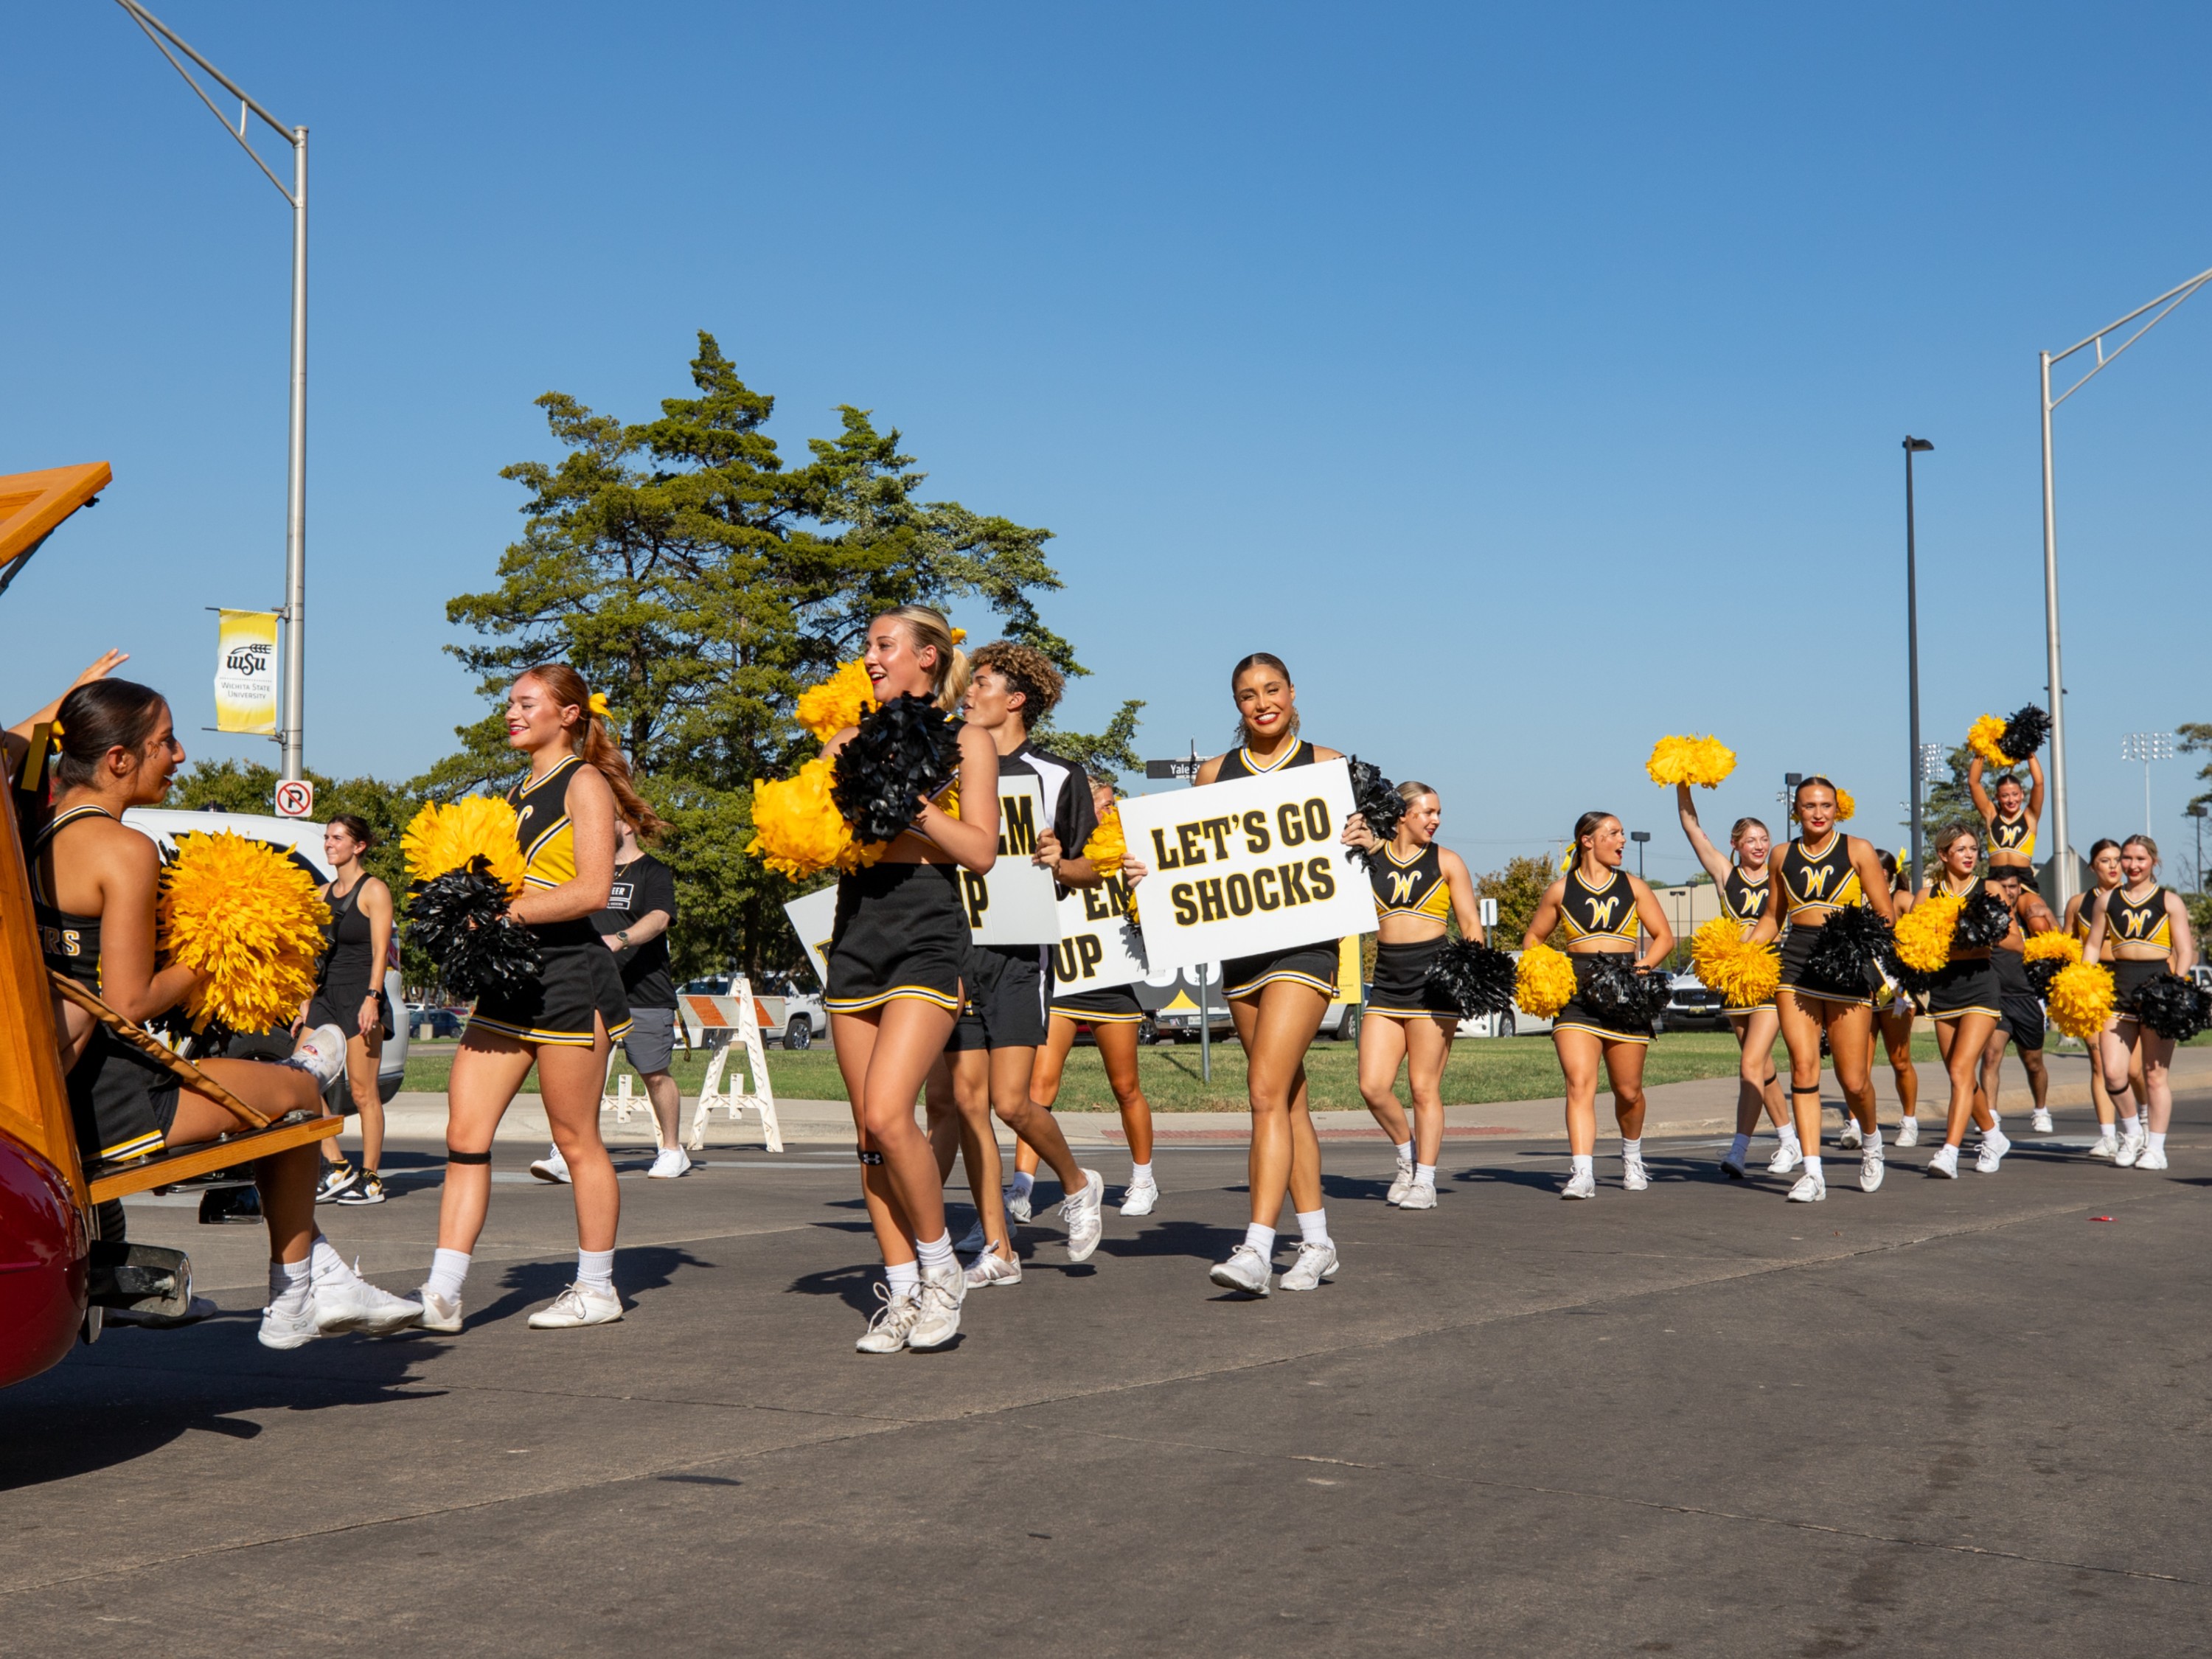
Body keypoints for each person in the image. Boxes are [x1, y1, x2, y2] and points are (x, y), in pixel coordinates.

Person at [31, 678, 417, 1347]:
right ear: (119, 759)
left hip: (69, 1081)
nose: (179, 755)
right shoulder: (124, 851)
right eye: (165, 742)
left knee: (285, 1091)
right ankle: (295, 1291)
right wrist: (221, 950)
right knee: (302, 1097)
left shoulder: (38, 836)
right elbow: (129, 1003)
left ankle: (315, 1280)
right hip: (113, 1094)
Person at [404, 665, 658, 1334]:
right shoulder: (513, 791)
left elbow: (593, 889)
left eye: (526, 703)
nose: (511, 713)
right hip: (508, 980)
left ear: (569, 715)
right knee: (465, 1134)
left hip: (572, 977)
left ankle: (597, 1287)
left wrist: (502, 915)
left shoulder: (584, 782)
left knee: (576, 1140)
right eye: (509, 703)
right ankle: (444, 1291)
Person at [1126, 652, 1345, 1296]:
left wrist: (1360, 835)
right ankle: (1320, 1242)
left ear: (1292, 691)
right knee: (1287, 1098)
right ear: (1237, 705)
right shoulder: (1214, 773)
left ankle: (1256, 1246)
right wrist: (1152, 873)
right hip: (1241, 951)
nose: (1261, 703)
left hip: (1306, 948)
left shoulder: (1329, 765)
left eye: (1271, 689)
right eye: (1247, 695)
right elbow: (1196, 854)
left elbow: (1361, 858)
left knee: (1262, 1091)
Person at [821, 606, 1000, 1354]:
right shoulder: (846, 742)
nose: (869, 657)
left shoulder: (968, 742)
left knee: (896, 1113)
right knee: (869, 1134)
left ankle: (942, 1270)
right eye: (866, 646)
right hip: (857, 932)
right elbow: (820, 845)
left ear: (928, 658)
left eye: (884, 646)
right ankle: (900, 1293)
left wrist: (914, 807)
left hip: (927, 933)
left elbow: (982, 852)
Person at [924, 641, 1106, 1288]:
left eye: (982, 684)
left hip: (1019, 954)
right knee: (965, 1103)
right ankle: (999, 1247)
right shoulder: (941, 760)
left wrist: (1061, 860)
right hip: (949, 947)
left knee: (1010, 1102)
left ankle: (1080, 1183)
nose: (968, 693)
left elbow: (1093, 867)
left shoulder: (1059, 777)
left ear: (1016, 699)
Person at [1019, 770, 1159, 1222]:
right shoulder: (1054, 855)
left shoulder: (1129, 850)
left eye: (1113, 803)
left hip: (1113, 986)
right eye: (1101, 803)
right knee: (1037, 1089)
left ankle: (1143, 1178)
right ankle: (1021, 1188)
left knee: (1125, 1087)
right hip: (1063, 984)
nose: (1109, 810)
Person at [1747, 778, 1895, 1202]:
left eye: (1825, 805)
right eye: (1809, 805)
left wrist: (1860, 944)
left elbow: (1885, 914)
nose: (1818, 812)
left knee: (1854, 1080)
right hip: (1795, 962)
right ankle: (1813, 1173)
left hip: (1847, 962)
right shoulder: (1781, 855)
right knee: (1804, 1067)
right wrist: (1740, 953)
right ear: (1796, 810)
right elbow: (1773, 919)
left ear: (1837, 809)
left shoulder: (1858, 849)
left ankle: (1871, 1140)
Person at [1345, 779, 1484, 1210]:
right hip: (1387, 980)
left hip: (1434, 983)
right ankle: (1406, 1154)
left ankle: (1425, 1180)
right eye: (1427, 813)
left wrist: (1472, 978)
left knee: (1423, 1087)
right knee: (1372, 1085)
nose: (1435, 820)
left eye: (1438, 813)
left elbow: (1472, 927)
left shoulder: (1448, 862)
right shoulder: (1370, 857)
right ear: (1403, 814)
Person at [1521, 813, 1674, 1198]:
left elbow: (1664, 937)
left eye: (1622, 833)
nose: (1621, 839)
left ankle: (1632, 1156)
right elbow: (1533, 939)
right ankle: (1582, 1172)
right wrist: (1546, 972)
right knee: (1579, 1084)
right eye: (1613, 833)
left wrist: (1639, 970)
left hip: (1625, 992)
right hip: (1576, 997)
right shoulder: (1560, 891)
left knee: (1629, 1091)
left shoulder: (1635, 887)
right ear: (1587, 841)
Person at [530, 813, 688, 1182]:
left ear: (628, 826)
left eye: (608, 819)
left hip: (644, 992)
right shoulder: (586, 873)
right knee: (580, 1077)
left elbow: (660, 918)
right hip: (591, 991)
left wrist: (619, 939)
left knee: (654, 1075)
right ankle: (567, 1153)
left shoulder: (653, 871)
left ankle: (672, 1150)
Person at [1676, 788, 1798, 1178]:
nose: (1760, 846)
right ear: (1736, 845)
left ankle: (1740, 1148)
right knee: (1760, 1066)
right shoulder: (1725, 874)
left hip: (1772, 975)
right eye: (1751, 841)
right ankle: (1788, 1140)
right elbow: (1691, 827)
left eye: (1764, 839)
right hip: (1735, 980)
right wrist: (1683, 782)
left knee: (1750, 1063)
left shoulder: (1782, 872)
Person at [2082, 835, 2197, 1172]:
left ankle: (2156, 1148)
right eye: (2126, 859)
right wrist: (2082, 981)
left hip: (2158, 988)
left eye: (2139, 859)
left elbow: (2185, 948)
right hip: (2119, 988)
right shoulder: (2106, 901)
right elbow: (2092, 946)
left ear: (2153, 863)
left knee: (2154, 1075)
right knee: (2114, 1074)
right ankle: (2132, 1132)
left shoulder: (2169, 901)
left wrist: (2177, 982)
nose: (2131, 865)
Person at [301, 815, 395, 1206]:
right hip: (326, 996)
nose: (328, 844)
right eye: (326, 837)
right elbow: (313, 955)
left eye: (337, 838)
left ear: (359, 846)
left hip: (361, 994)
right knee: (300, 1080)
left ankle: (371, 1178)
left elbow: (381, 953)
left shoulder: (374, 890)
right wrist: (305, 999)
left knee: (362, 1092)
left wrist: (373, 998)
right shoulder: (322, 893)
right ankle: (337, 1164)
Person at [1905, 826, 2008, 1179]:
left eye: (1974, 848)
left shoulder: (1989, 890)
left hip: (1980, 985)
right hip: (1943, 989)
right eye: (1960, 848)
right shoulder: (1925, 896)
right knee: (1958, 1072)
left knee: (1961, 1070)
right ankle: (1993, 1137)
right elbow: (1912, 948)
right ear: (1943, 855)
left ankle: (1949, 1151)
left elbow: (2010, 939)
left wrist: (1973, 932)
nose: (1969, 854)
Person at [1980, 866, 2059, 1135]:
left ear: (2019, 889)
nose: (2008, 892)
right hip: (1996, 999)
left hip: (2027, 999)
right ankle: (1991, 1116)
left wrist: (2048, 915)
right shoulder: (1985, 920)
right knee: (1991, 1056)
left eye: (2013, 886)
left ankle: (2041, 1110)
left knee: (2034, 1062)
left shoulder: (2029, 920)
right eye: (2002, 886)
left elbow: (2060, 946)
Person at [2065, 840, 2129, 1158]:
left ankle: (2141, 1123)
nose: (2114, 865)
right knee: (2099, 1063)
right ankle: (2107, 1135)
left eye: (2118, 859)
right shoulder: (2078, 903)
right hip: (2092, 986)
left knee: (2132, 1069)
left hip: (2128, 982)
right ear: (2093, 867)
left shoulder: (2134, 899)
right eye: (2105, 860)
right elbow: (2067, 947)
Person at [1872, 852, 1923, 1151]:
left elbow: (1921, 939)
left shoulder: (1902, 898)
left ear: (1891, 872)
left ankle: (1909, 1121)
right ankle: (1855, 1123)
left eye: (1881, 869)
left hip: (1896, 991)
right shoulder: (1857, 898)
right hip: (1862, 990)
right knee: (1856, 1065)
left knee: (1899, 1059)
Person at [1969, 752, 2045, 889]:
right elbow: (1973, 783)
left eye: (2015, 794)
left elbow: (2038, 783)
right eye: (2005, 796)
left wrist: (2029, 752)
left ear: (2022, 794)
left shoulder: (2030, 816)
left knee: (2037, 910)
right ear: (1997, 797)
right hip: (1995, 879)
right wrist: (1981, 749)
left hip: (2023, 881)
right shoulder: (1991, 815)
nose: (2011, 800)